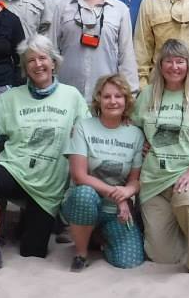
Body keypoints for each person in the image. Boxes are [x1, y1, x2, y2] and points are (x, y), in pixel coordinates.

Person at [0, 36, 90, 274]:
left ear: (54, 62)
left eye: (42, 58)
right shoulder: (10, 98)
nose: (38, 65)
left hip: (48, 185)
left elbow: (88, 133)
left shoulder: (72, 96)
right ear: (24, 68)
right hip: (15, 171)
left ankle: (27, 222)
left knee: (32, 251)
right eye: (30, 61)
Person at [133, 39, 189, 273]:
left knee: (187, 197)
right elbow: (133, 128)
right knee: (162, 257)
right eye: (169, 61)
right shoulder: (147, 95)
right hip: (154, 181)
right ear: (160, 65)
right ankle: (184, 229)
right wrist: (142, 143)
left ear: (188, 65)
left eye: (180, 61)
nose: (174, 66)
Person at [61, 74, 145, 271]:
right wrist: (119, 196)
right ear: (98, 99)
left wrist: (127, 193)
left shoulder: (136, 134)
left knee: (130, 260)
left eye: (118, 96)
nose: (113, 101)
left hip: (114, 211)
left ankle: (98, 237)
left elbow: (135, 181)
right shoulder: (84, 126)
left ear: (126, 100)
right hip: (83, 203)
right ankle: (81, 253)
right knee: (84, 194)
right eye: (107, 96)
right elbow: (79, 176)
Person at [52, 0, 138, 101]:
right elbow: (51, 50)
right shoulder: (63, 7)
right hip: (66, 96)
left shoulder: (120, 10)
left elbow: (126, 57)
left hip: (105, 98)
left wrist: (130, 95)